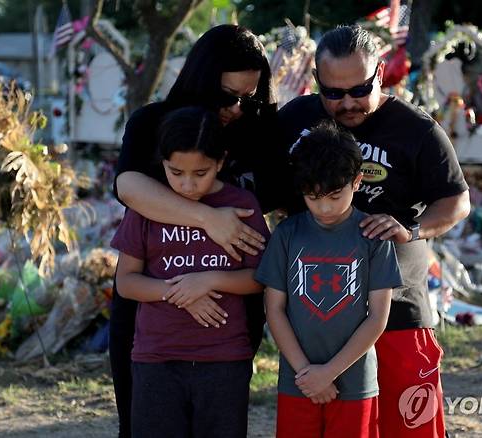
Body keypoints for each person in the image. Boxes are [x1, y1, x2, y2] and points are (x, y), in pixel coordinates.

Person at [277, 25, 471, 438]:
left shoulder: (416, 129)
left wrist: (412, 230)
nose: (347, 103)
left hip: (398, 308)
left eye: (359, 89)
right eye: (333, 93)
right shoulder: (294, 121)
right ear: (316, 82)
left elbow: (457, 201)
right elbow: (262, 191)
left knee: (411, 425)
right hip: (318, 314)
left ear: (381, 72)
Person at [111, 24, 283, 437]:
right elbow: (128, 186)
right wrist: (208, 218)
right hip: (149, 329)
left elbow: (282, 200)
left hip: (225, 331)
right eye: (229, 95)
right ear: (202, 78)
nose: (239, 107)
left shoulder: (258, 130)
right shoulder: (152, 122)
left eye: (249, 96)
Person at [256, 121, 403, 438]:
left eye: (335, 196)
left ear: (358, 181)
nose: (324, 208)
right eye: (312, 197)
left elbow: (377, 317)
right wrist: (307, 375)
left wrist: (329, 373)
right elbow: (274, 310)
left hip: (355, 382)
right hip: (298, 382)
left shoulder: (374, 236)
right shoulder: (286, 234)